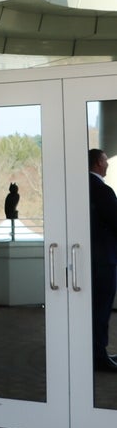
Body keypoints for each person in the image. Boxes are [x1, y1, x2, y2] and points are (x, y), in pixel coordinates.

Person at [88, 148, 117, 372]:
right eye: (105, 161)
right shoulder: (102, 190)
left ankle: (92, 352)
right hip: (103, 261)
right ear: (98, 163)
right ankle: (99, 356)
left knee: (91, 310)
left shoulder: (80, 187)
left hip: (87, 260)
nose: (107, 164)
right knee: (101, 310)